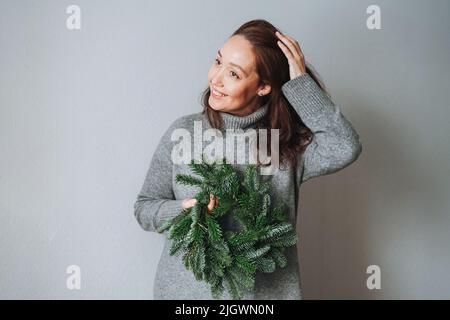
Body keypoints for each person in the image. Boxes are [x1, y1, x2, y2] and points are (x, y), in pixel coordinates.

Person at [133, 19, 362, 299]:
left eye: (233, 73)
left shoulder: (287, 144)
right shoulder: (183, 132)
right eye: (218, 62)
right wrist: (186, 210)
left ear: (264, 87)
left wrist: (299, 83)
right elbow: (144, 208)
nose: (215, 79)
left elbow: (344, 146)